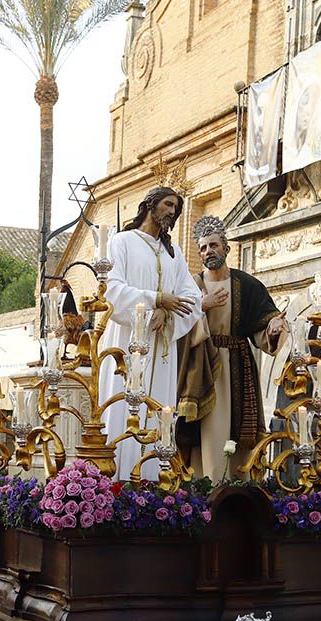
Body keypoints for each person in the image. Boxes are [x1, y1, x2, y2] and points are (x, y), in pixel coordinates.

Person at [98, 187, 202, 482]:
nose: (172, 211)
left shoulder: (174, 253)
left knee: (158, 413)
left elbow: (192, 298)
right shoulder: (122, 242)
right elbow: (112, 289)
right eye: (168, 204)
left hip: (160, 349)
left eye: (176, 208)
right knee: (121, 410)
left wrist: (167, 312)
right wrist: (156, 298)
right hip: (127, 345)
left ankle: (154, 486)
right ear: (149, 205)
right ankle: (116, 482)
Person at [176, 214, 284, 481]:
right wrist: (201, 308)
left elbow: (264, 318)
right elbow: (177, 325)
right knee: (207, 430)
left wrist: (271, 329)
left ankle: (240, 485)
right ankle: (205, 484)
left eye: (213, 245)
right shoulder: (191, 285)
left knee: (237, 427)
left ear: (226, 247)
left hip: (238, 364)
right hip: (201, 367)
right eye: (202, 247)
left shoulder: (247, 285)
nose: (208, 251)